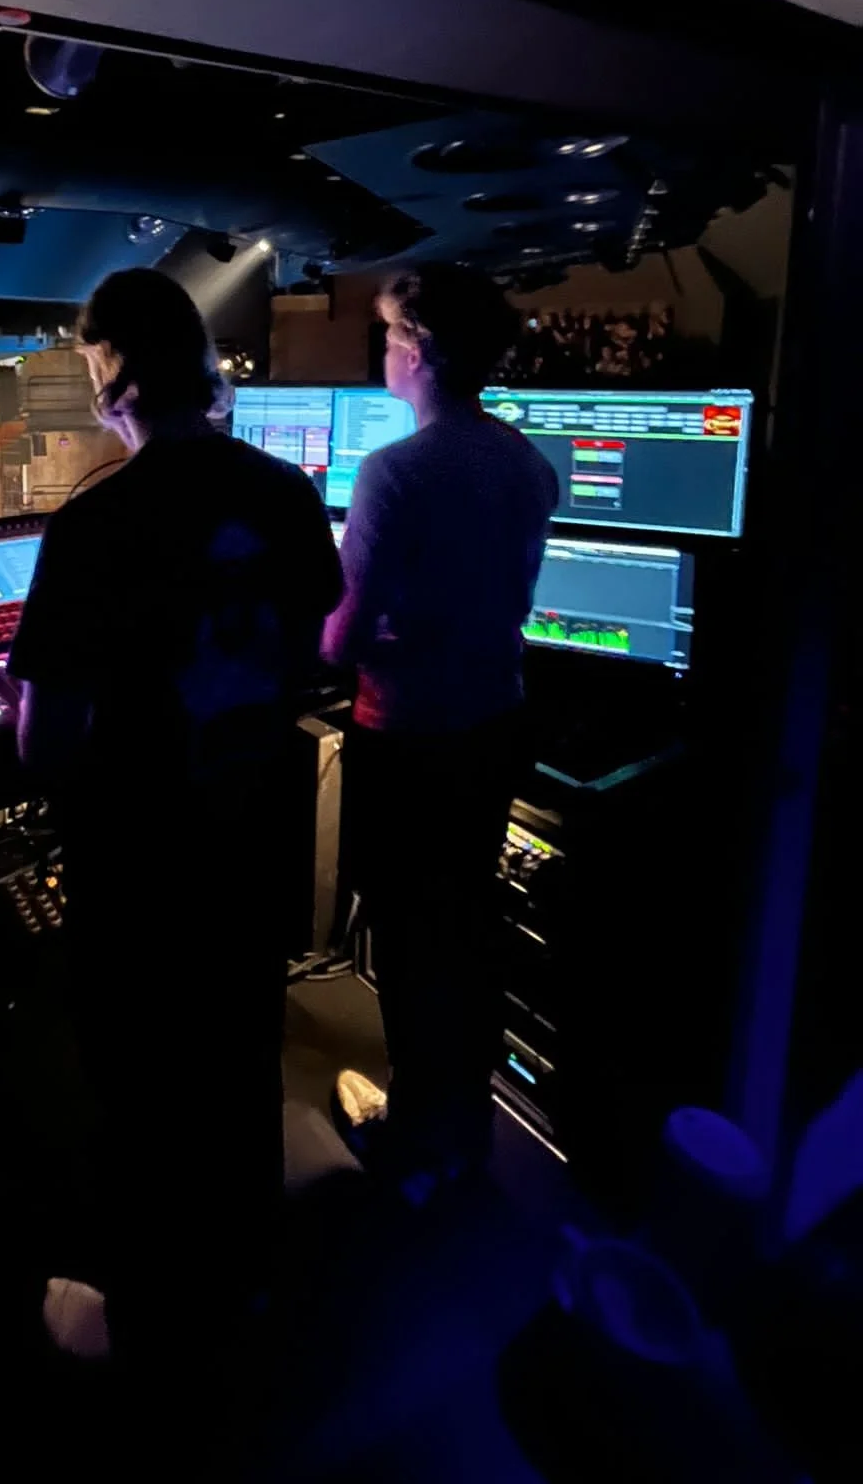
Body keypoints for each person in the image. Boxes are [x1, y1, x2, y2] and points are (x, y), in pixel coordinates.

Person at [9, 268, 342, 1383]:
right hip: (253, 840)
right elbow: (308, 648)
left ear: (113, 368)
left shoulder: (94, 523)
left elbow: (42, 745)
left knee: (141, 1088)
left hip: (141, 868)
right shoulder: (289, 493)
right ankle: (249, 1276)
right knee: (240, 1057)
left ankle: (151, 1324)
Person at [323, 265, 557, 1198]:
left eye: (389, 334)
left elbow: (340, 640)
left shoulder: (395, 472)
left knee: (409, 939)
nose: (384, 350)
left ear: (416, 352)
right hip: (492, 725)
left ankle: (414, 1134)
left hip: (407, 735)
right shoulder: (526, 462)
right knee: (465, 923)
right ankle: (464, 1122)